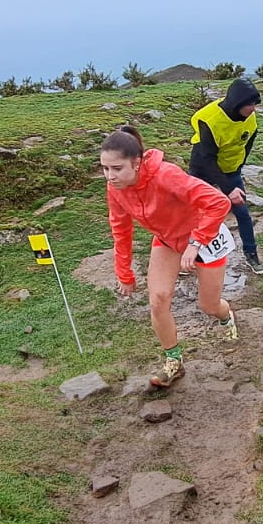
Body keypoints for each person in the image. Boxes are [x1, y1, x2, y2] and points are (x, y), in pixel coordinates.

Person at [102, 126, 240, 386]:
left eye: (117, 169)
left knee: (209, 306)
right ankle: (173, 361)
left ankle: (226, 316)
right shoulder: (115, 189)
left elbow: (218, 202)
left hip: (205, 236)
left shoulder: (166, 175)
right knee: (158, 300)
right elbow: (120, 230)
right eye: (105, 168)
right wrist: (124, 273)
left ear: (136, 163)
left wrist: (195, 243)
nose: (110, 176)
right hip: (166, 240)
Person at [188, 76, 263, 275]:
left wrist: (237, 170)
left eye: (255, 104)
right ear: (237, 103)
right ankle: (185, 254)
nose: (253, 109)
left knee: (242, 213)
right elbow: (207, 158)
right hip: (203, 169)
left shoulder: (250, 117)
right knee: (192, 214)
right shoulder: (209, 120)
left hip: (231, 169)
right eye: (250, 104)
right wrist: (228, 188)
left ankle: (251, 254)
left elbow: (248, 142)